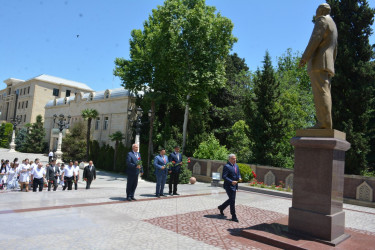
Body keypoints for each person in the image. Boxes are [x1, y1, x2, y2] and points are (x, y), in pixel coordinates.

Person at [299, 3, 337, 129]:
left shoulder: (322, 20)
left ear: (320, 11)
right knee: (325, 92)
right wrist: (331, 63)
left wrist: (305, 57)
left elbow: (315, 39)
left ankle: (323, 124)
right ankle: (326, 123)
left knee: (320, 93)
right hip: (327, 63)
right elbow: (335, 48)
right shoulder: (333, 24)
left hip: (318, 62)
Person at [218, 154, 242, 222]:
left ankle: (221, 207)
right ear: (229, 159)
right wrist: (231, 181)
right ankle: (234, 216)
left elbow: (238, 173)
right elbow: (224, 176)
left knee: (231, 199)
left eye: (235, 158)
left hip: (234, 185)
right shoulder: (227, 166)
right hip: (228, 186)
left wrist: (239, 177)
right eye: (233, 159)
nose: (235, 160)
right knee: (232, 201)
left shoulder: (236, 165)